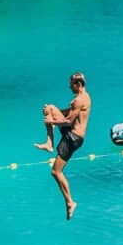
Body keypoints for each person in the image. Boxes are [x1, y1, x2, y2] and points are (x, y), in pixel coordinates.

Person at [35, 72, 92, 221]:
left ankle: (70, 202)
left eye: (71, 84)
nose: (69, 87)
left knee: (56, 172)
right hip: (71, 133)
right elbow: (67, 113)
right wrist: (51, 114)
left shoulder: (79, 101)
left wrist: (51, 122)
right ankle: (49, 143)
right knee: (51, 108)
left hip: (73, 138)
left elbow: (68, 121)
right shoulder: (84, 98)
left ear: (78, 84)